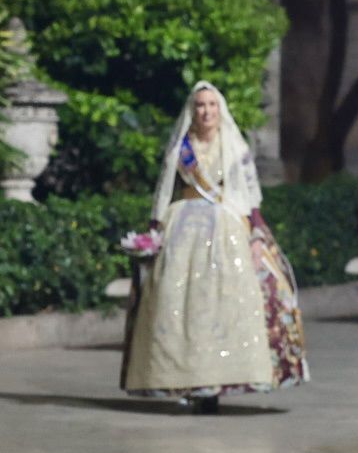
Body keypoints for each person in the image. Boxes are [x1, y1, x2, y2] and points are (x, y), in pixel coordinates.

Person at [121, 81, 307, 412]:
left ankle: (218, 383)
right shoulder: (181, 148)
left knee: (228, 303)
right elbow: (165, 191)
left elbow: (249, 199)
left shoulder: (234, 147)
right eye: (200, 106)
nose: (206, 111)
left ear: (220, 110)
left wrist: (256, 235)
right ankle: (185, 381)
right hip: (183, 229)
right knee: (179, 304)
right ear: (192, 111)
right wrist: (153, 233)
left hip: (226, 228)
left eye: (211, 105)